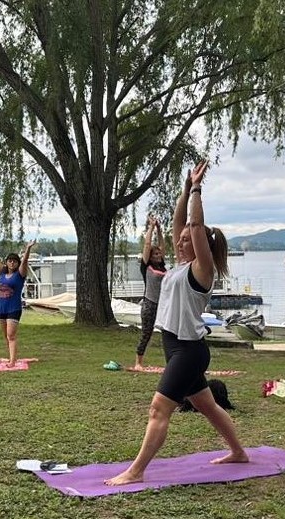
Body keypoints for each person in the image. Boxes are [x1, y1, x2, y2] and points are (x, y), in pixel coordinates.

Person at [106, 161, 248, 486]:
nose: (180, 241)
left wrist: (197, 189)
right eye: (180, 239)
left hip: (188, 351)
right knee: (209, 407)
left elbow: (195, 226)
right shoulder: (180, 267)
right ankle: (238, 452)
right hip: (177, 348)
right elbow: (180, 221)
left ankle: (136, 471)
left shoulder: (202, 271)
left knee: (158, 409)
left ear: (201, 247)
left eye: (186, 239)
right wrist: (184, 190)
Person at [0, 236, 36, 367]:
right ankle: (12, 357)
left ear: (17, 263)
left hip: (13, 309)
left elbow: (25, 262)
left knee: (11, 335)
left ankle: (12, 362)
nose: (12, 263)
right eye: (10, 261)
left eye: (14, 261)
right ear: (7, 262)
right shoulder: (2, 273)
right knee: (6, 336)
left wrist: (27, 249)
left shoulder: (20, 275)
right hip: (2, 309)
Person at [133, 215, 167, 370]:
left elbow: (162, 244)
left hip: (163, 306)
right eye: (155, 254)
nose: (158, 256)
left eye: (159, 254)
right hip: (149, 304)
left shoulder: (163, 266)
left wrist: (160, 229)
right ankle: (138, 362)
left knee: (169, 333)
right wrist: (151, 227)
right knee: (147, 333)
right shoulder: (146, 267)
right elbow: (147, 245)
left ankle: (172, 362)